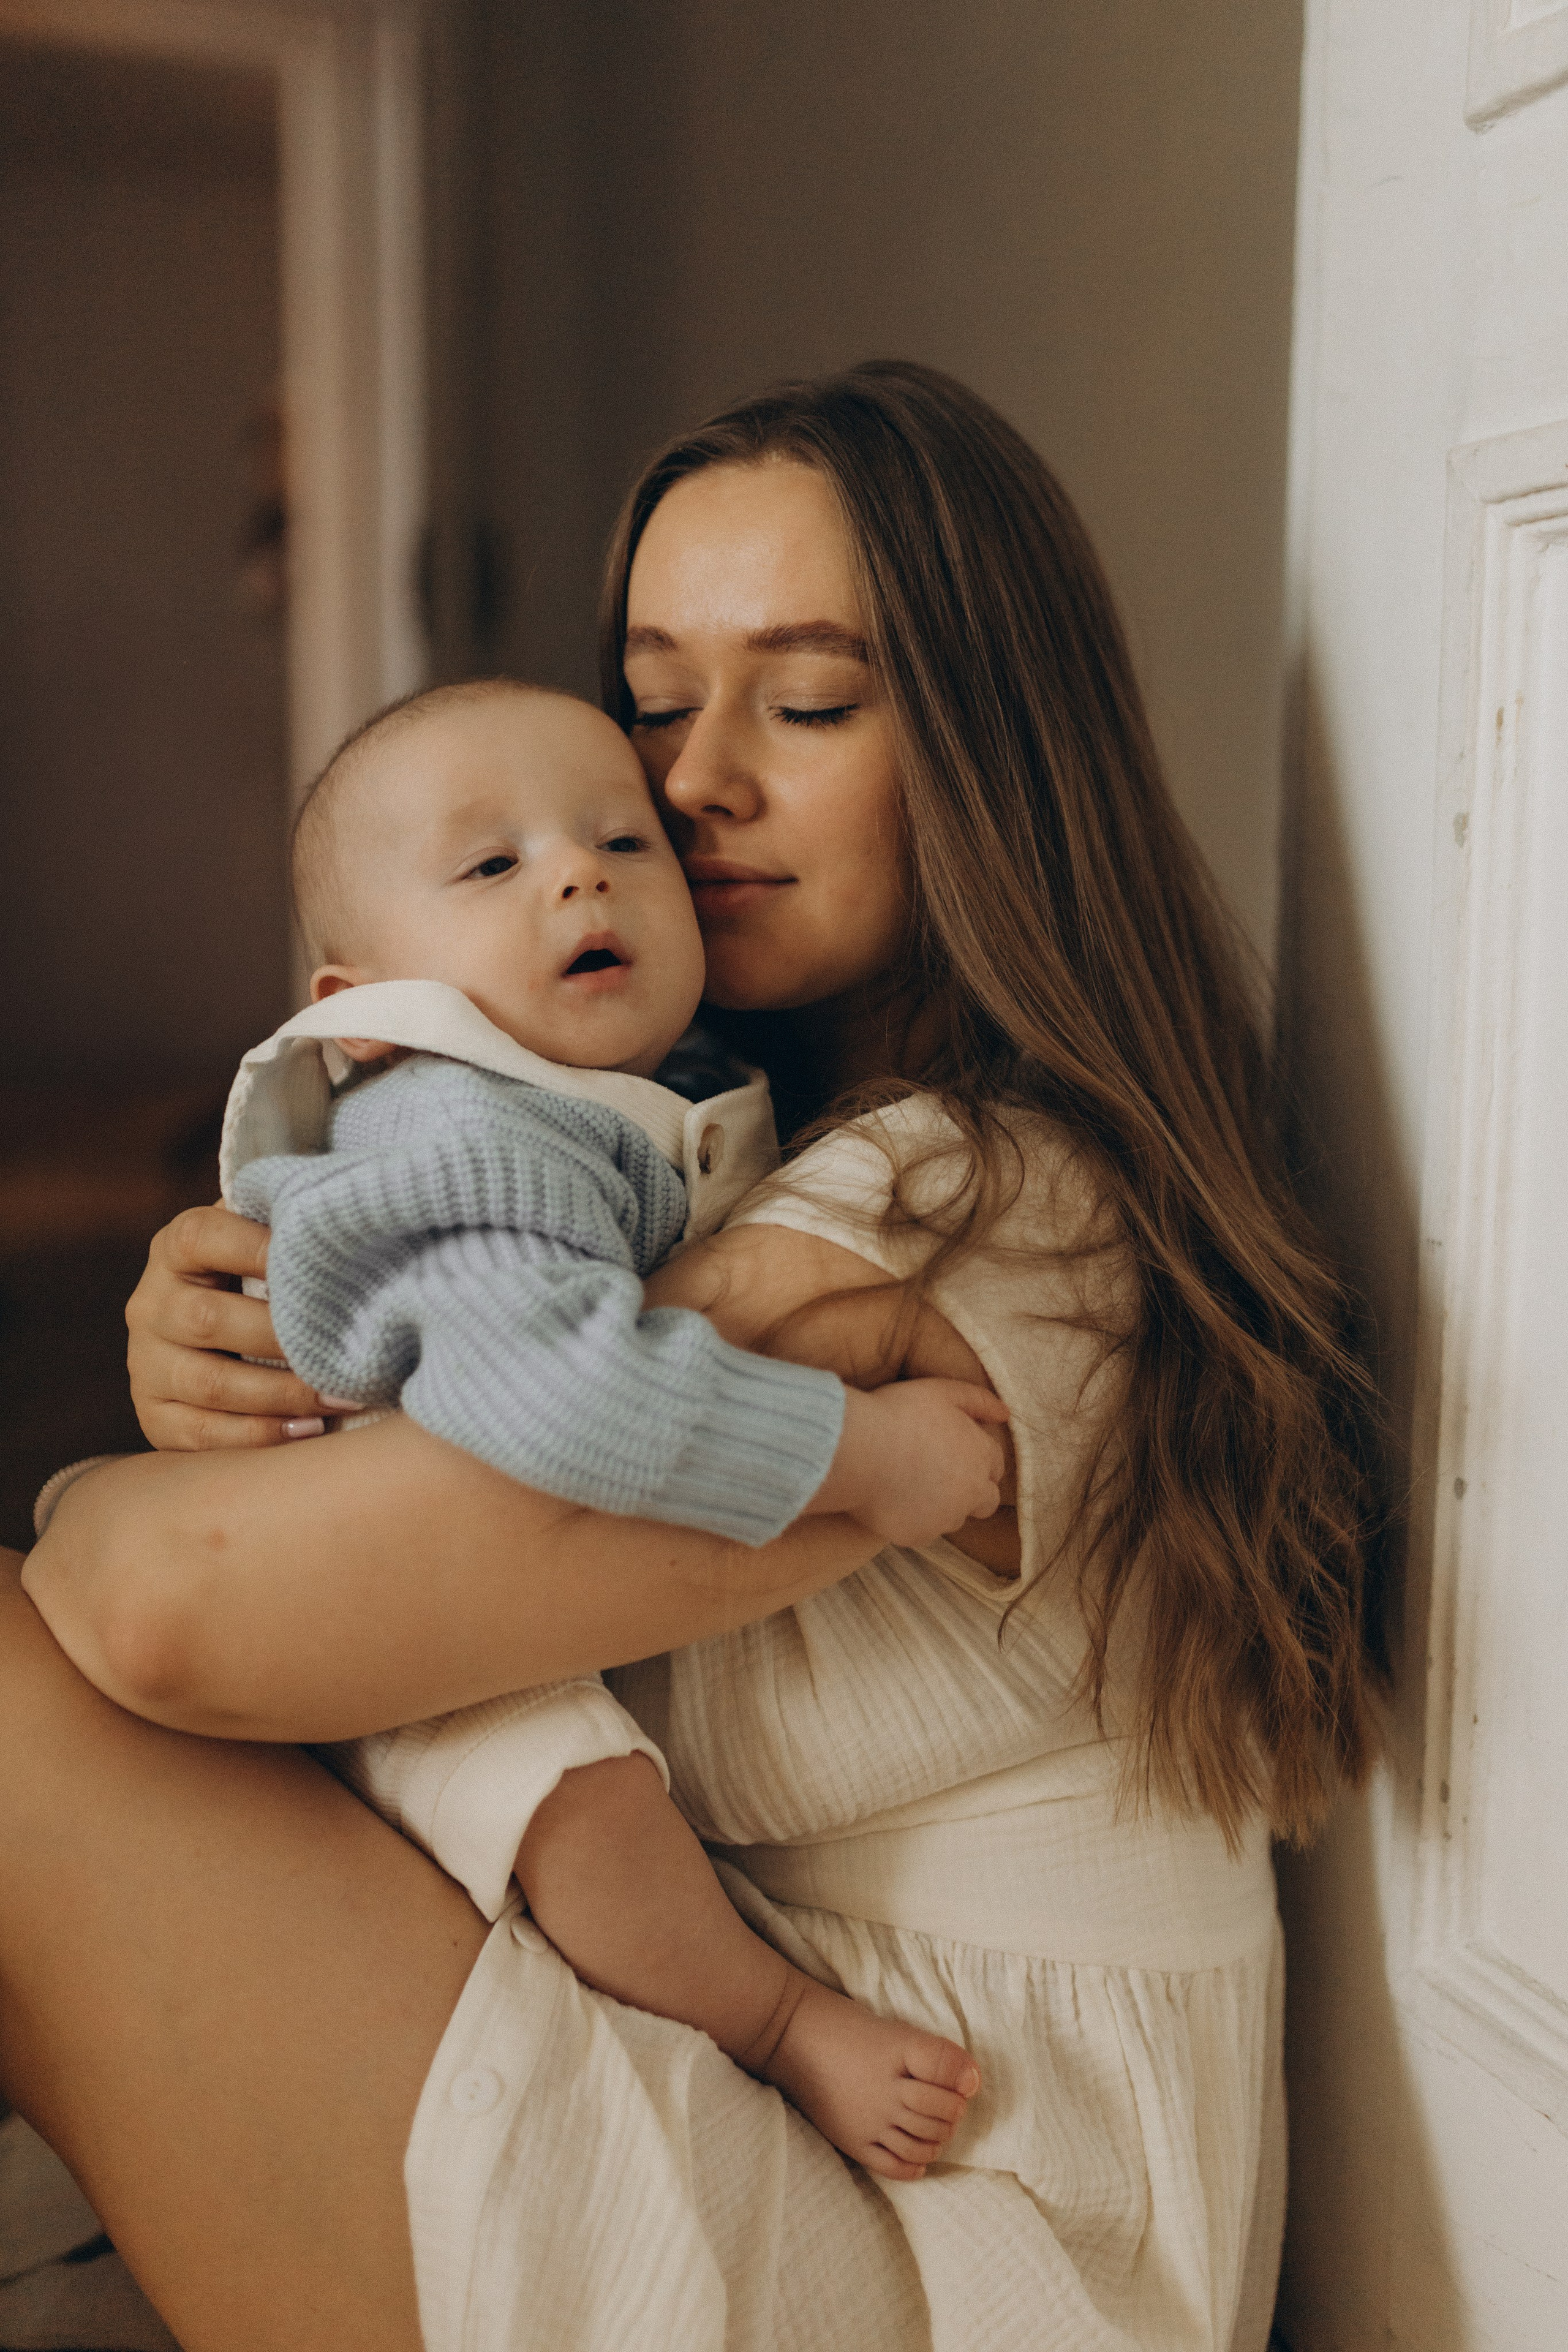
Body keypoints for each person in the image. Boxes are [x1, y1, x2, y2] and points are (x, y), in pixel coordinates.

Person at [3, 360, 1383, 2352]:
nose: (687, 784)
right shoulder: (700, 1152)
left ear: (992, 756)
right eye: (655, 699)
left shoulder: (981, 1210)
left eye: (808, 701)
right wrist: (234, 1355)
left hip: (960, 2236)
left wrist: (140, 1480)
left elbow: (164, 1615)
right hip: (780, 2080)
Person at [206, 677, 1000, 2172]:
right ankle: (773, 2025)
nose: (578, 873)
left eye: (618, 840)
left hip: (462, 1562)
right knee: (583, 1802)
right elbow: (571, 1396)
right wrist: (867, 1455)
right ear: (358, 1010)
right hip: (377, 1621)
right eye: (491, 865)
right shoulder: (458, 1126)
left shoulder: (637, 1089)